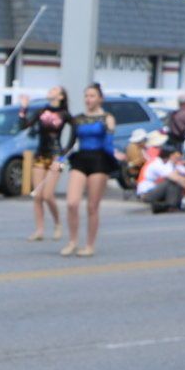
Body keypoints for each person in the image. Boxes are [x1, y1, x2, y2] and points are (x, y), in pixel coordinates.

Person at [59, 84, 117, 258]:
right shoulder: (78, 119)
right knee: (72, 203)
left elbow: (108, 143)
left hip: (99, 160)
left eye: (92, 96)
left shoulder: (107, 118)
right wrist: (60, 159)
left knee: (92, 206)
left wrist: (115, 159)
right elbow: (70, 143)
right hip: (81, 158)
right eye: (86, 96)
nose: (88, 99)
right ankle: (72, 241)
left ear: (100, 98)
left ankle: (89, 245)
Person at [18, 87, 70, 242]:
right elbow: (24, 125)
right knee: (37, 195)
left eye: (54, 90)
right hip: (41, 155)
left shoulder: (65, 114)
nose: (50, 91)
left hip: (57, 157)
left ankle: (58, 224)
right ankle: (39, 230)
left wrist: (63, 155)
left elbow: (74, 136)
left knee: (48, 195)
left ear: (60, 96)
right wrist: (24, 108)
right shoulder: (42, 111)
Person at [135, 147, 185, 213]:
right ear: (169, 156)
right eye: (175, 157)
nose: (177, 159)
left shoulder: (168, 164)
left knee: (177, 182)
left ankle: (179, 204)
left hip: (156, 191)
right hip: (146, 193)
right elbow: (174, 178)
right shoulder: (157, 164)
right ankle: (172, 206)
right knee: (171, 182)